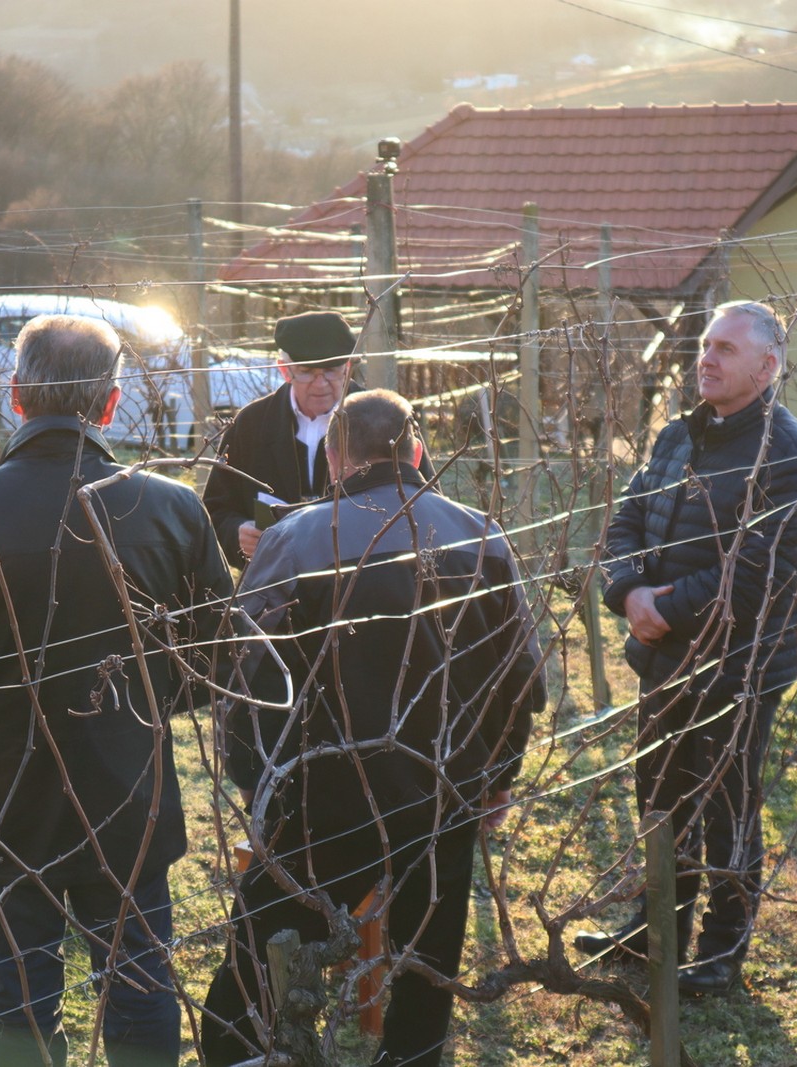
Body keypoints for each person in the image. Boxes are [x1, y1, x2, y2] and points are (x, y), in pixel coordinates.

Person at [0, 315, 233, 1067]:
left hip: (2, 792)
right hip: (128, 795)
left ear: (15, 396)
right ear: (111, 406)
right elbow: (213, 663)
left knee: (15, 991)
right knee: (141, 984)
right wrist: (136, 707)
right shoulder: (171, 509)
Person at [201, 389, 545, 1067]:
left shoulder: (294, 541)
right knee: (425, 980)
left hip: (324, 798)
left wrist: (260, 792)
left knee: (247, 980)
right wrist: (495, 777)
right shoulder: (482, 533)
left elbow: (241, 683)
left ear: (334, 457)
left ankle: (240, 1051)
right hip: (446, 790)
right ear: (416, 449)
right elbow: (521, 681)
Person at [579, 300, 797, 995]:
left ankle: (722, 952)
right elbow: (624, 520)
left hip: (738, 666)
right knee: (658, 797)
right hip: (662, 657)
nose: (706, 359)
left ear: (767, 366)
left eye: (724, 348)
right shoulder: (676, 436)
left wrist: (660, 608)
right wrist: (628, 593)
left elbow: (757, 577)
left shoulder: (789, 455)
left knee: (725, 808)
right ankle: (655, 928)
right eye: (705, 345)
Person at [202, 310, 433, 566]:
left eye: (331, 371)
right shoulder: (251, 424)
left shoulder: (385, 419)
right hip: (275, 583)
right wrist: (237, 533)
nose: (321, 383)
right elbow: (214, 511)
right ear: (284, 370)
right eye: (307, 372)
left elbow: (427, 503)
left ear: (347, 367)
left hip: (365, 575)